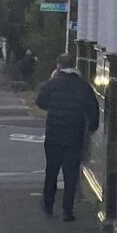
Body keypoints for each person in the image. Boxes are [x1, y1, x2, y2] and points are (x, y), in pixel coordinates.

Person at [34, 53, 101, 221]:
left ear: (58, 66)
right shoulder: (83, 86)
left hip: (54, 134)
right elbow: (93, 109)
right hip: (74, 135)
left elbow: (40, 101)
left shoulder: (52, 84)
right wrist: (92, 127)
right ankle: (67, 210)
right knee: (71, 174)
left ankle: (48, 204)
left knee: (52, 170)